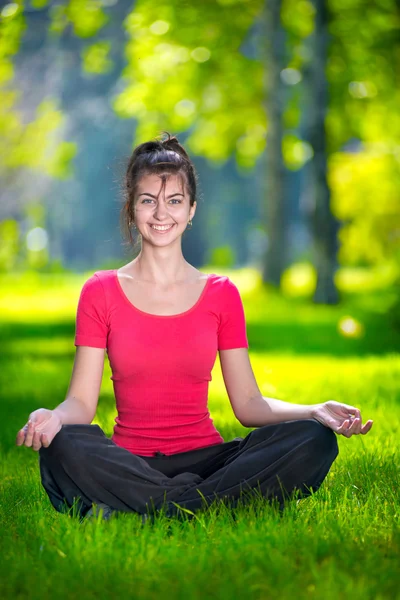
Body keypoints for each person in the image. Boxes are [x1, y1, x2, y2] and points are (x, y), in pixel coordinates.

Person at [16, 133, 373, 523]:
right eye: (148, 200)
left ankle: (145, 508)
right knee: (61, 442)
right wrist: (51, 415)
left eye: (174, 201)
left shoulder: (221, 294)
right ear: (132, 208)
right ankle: (205, 507)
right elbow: (81, 405)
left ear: (191, 210)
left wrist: (314, 411)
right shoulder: (100, 290)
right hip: (130, 462)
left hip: (209, 461)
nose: (160, 213)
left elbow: (249, 405)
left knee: (312, 438)